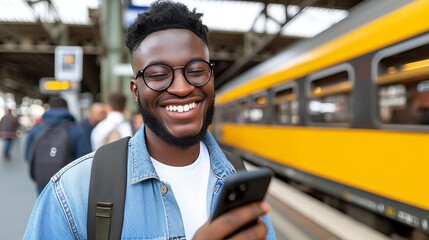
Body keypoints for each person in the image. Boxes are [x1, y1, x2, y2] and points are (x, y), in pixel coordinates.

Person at [24, 1, 275, 239]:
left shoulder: (239, 179)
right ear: (136, 91)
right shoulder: (73, 191)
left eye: (197, 71)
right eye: (157, 75)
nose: (181, 88)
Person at [24, 97, 91, 193]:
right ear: (67, 109)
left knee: (43, 205)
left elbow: (27, 156)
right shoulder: (76, 130)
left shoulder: (36, 130)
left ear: (49, 108)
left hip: (42, 178)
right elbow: (84, 159)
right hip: (68, 182)